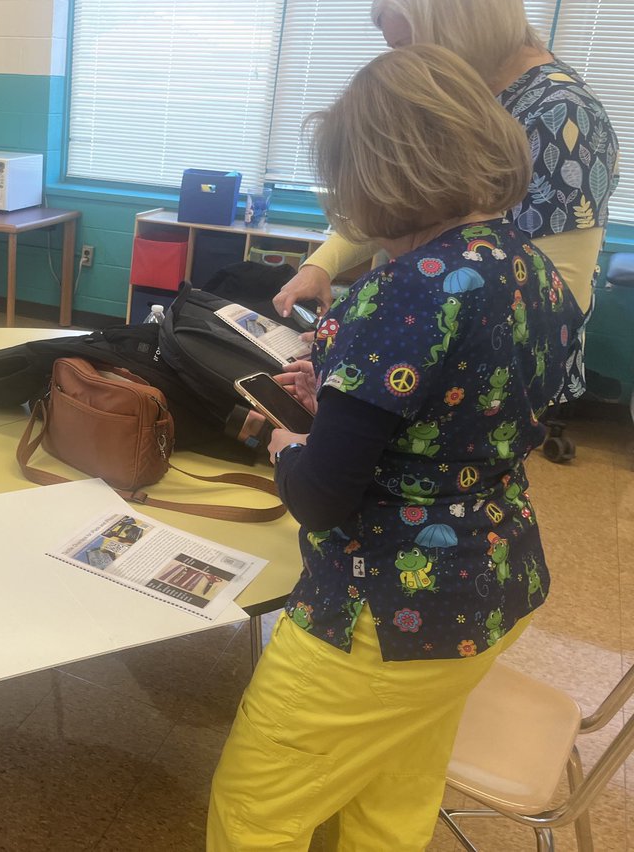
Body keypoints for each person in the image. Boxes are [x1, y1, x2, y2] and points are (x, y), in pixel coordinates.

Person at [207, 45, 583, 850]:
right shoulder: (534, 273)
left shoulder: (397, 292)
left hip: (385, 610)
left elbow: (319, 495)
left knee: (257, 805)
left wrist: (287, 441)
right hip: (496, 584)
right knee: (395, 793)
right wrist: (347, 401)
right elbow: (469, 407)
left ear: (378, 176)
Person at [274, 0, 619, 329]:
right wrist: (322, 265)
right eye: (395, 50)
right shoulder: (454, 94)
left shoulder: (562, 115)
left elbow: (555, 298)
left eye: (411, 45)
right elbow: (399, 204)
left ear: (462, 27)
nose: (407, 64)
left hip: (490, 365)